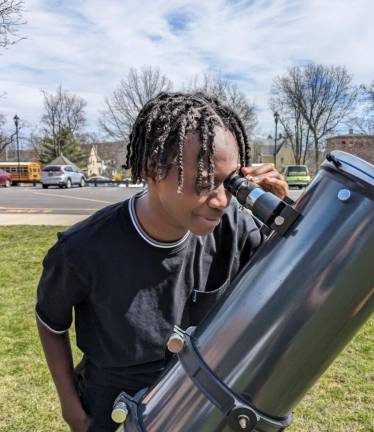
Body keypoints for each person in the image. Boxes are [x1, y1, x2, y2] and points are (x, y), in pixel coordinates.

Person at [35, 92, 289, 432]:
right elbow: (51, 323)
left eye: (230, 183)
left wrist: (281, 218)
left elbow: (284, 288)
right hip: (112, 404)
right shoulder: (83, 249)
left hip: (199, 401)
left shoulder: (236, 228)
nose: (220, 201)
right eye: (203, 181)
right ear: (152, 170)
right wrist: (71, 408)